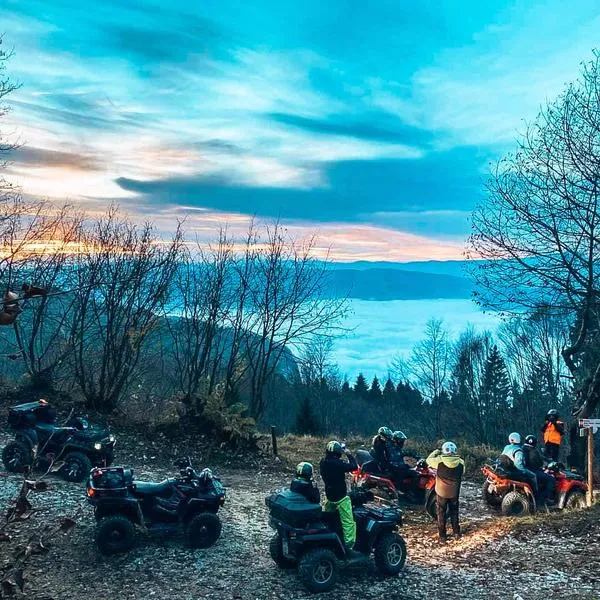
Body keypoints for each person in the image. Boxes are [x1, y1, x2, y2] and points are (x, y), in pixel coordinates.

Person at [319, 440, 361, 557]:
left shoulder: (323, 462)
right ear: (338, 453)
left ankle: (329, 537)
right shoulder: (338, 464)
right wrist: (349, 455)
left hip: (329, 496)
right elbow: (354, 467)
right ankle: (349, 546)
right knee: (348, 522)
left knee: (329, 518)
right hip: (341, 497)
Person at [426, 441, 464, 542]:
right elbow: (463, 472)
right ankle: (456, 532)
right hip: (454, 493)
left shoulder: (439, 461)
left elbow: (428, 460)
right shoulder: (461, 462)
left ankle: (442, 536)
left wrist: (437, 451)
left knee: (441, 513)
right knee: (454, 512)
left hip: (441, 493)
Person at [500, 432, 539, 500]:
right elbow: (518, 465)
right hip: (512, 470)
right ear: (518, 439)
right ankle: (535, 495)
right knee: (533, 476)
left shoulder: (506, 447)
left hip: (505, 468)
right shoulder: (518, 450)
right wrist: (524, 471)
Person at [523, 435, 555, 505]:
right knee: (551, 479)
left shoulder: (522, 448)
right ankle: (544, 498)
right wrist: (545, 465)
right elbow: (539, 463)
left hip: (524, 471)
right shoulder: (533, 451)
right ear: (534, 443)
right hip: (532, 471)